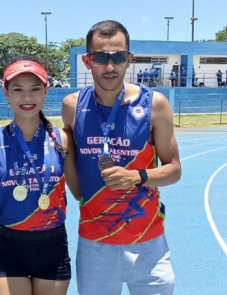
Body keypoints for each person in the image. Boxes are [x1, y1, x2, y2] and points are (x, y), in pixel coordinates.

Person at [61, 20, 181, 295]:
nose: (110, 66)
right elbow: (72, 167)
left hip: (148, 244)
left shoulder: (156, 104)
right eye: (101, 57)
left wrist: (137, 177)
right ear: (87, 60)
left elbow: (174, 170)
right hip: (95, 245)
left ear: (130, 59)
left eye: (118, 57)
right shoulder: (72, 106)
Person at [0, 55, 81, 295]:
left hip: (53, 245)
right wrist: (3, 185)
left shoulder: (62, 139)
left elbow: (79, 191)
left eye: (35, 89)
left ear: (45, 91)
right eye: (17, 89)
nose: (27, 97)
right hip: (11, 246)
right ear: (5, 93)